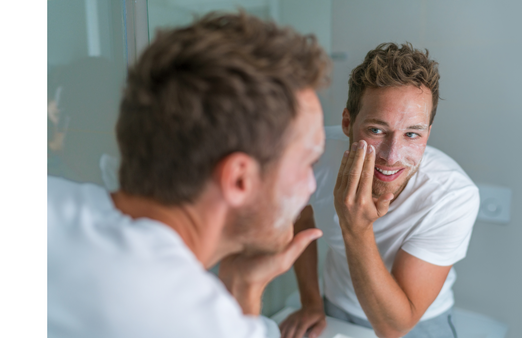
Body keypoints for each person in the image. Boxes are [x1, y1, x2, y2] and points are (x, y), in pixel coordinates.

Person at [48, 12, 330, 338]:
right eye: (308, 162)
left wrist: (243, 284)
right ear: (239, 180)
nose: (311, 186)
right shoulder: (189, 320)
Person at [279, 43, 479, 338]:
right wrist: (311, 302)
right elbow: (301, 219)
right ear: (348, 122)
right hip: (336, 308)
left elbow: (394, 327)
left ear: (428, 133)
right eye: (376, 130)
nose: (392, 155)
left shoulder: (451, 196)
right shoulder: (315, 156)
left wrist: (355, 228)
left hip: (418, 323)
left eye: (412, 134)